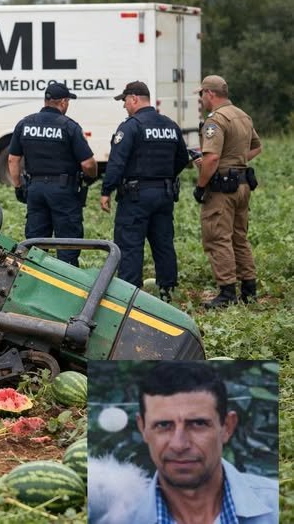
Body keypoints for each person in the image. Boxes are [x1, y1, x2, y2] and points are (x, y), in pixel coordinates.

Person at [127, 362, 279, 524]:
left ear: (227, 427)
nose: (179, 445)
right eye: (163, 425)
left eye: (197, 424)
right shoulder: (117, 517)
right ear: (143, 428)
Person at [100, 81, 189, 302]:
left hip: (135, 196)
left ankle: (130, 297)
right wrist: (163, 177)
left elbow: (117, 162)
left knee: (130, 245)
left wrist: (106, 190)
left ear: (134, 99)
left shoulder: (131, 126)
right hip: (164, 194)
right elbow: (182, 159)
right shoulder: (170, 125)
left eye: (124, 101)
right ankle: (168, 293)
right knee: (163, 244)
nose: (124, 106)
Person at [8, 82, 97, 267]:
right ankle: (67, 290)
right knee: (67, 245)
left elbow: (12, 160)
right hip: (64, 191)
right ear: (63, 102)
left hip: (35, 190)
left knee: (35, 247)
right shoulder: (69, 127)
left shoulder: (25, 124)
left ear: (46, 101)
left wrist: (18, 186)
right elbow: (88, 163)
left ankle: (34, 286)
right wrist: (90, 177)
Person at [194, 75, 262, 308]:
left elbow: (211, 157)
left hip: (222, 190)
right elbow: (256, 146)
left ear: (210, 93)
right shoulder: (242, 115)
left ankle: (226, 293)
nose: (201, 99)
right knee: (239, 238)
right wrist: (236, 161)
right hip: (242, 185)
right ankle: (249, 289)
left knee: (217, 238)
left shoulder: (216, 120)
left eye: (202, 94)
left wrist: (201, 185)